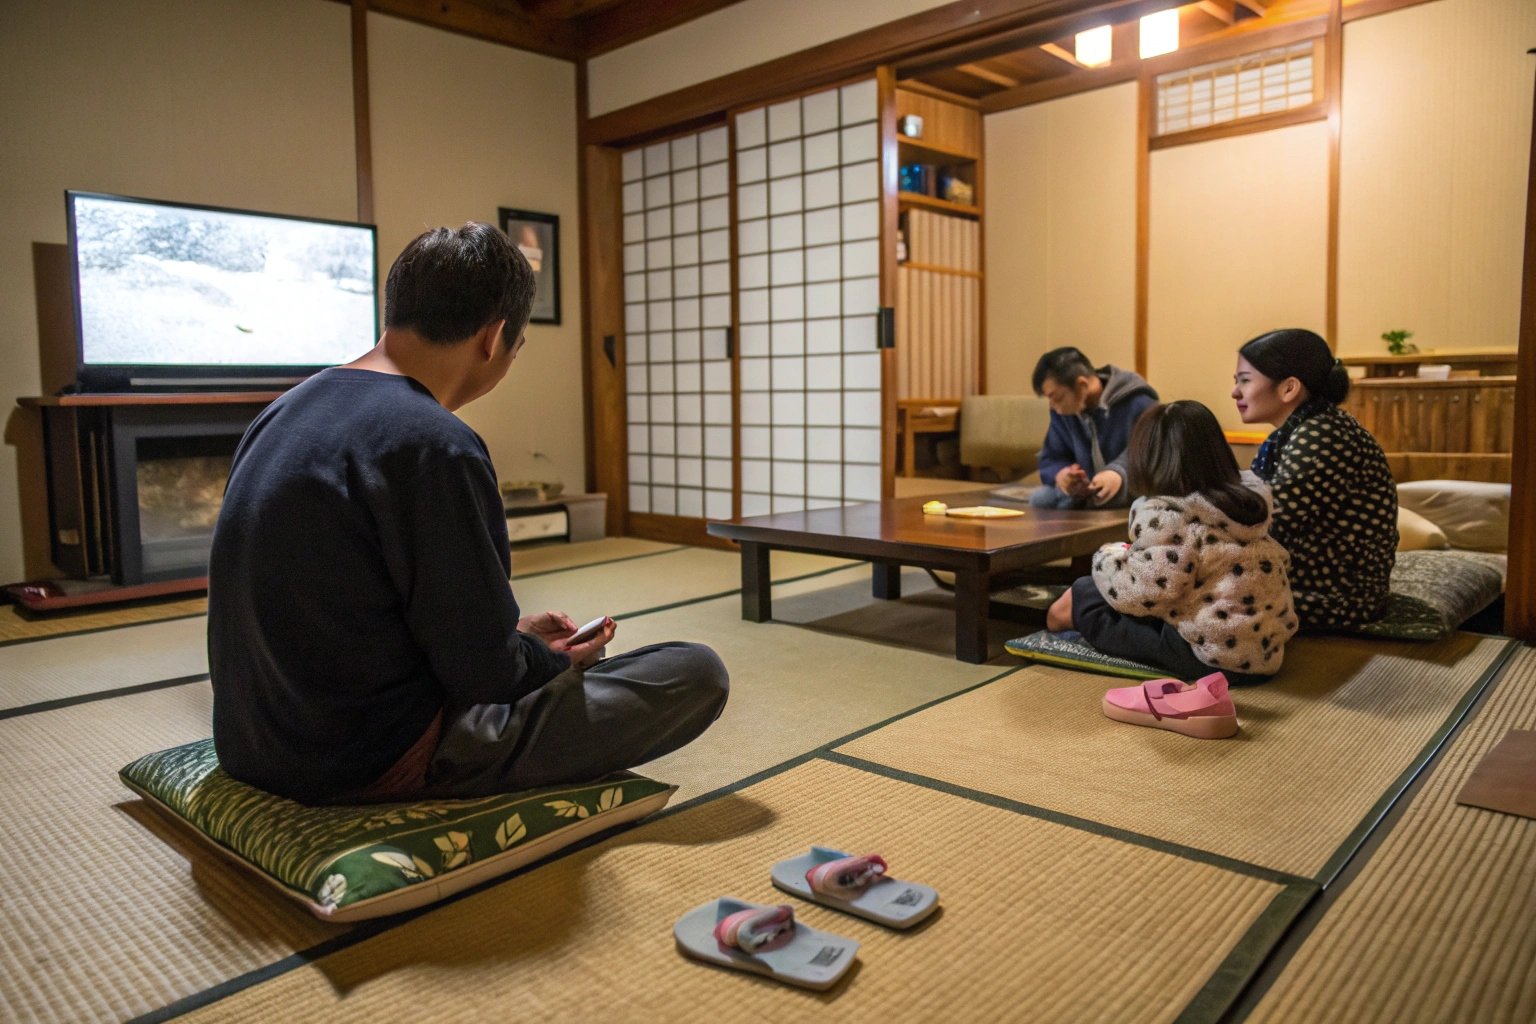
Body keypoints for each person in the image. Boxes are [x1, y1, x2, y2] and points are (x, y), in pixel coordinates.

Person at [208, 223, 729, 804]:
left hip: (251, 742)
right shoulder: (437, 444)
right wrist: (544, 659)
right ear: (494, 336)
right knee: (694, 672)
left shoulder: (285, 410)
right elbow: (486, 677)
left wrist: (513, 637)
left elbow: (361, 604)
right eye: (516, 347)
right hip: (361, 757)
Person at [1046, 401, 1299, 684]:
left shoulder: (1170, 514)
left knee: (1086, 593)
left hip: (1212, 657)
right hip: (1264, 651)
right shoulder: (1246, 501)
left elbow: (1143, 594)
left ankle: (1063, 620)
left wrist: (1106, 557)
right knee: (1099, 588)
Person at [1232, 328, 1397, 630]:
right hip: (1306, 584)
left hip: (1336, 597)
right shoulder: (1301, 430)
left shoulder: (1322, 435)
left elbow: (1268, 524)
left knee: (1189, 601)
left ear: (1289, 388)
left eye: (1245, 380)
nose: (1235, 392)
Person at [1028, 346, 1158, 509]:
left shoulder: (1138, 402)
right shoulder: (1063, 412)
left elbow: (1150, 451)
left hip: (1129, 487)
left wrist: (1117, 473)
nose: (1053, 406)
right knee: (1040, 499)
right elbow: (1052, 456)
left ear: (1082, 385)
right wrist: (1063, 475)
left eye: (1057, 398)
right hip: (1089, 491)